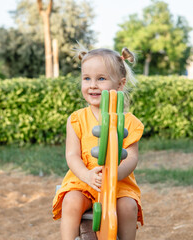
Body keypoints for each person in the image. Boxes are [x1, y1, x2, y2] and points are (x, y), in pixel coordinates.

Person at [52, 45, 144, 240]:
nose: (92, 85)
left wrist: (114, 175)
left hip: (118, 184)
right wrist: (86, 176)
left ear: (120, 84)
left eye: (101, 78)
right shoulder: (76, 119)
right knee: (71, 201)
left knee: (128, 206)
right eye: (87, 78)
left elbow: (132, 157)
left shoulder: (128, 122)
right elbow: (72, 155)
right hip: (84, 182)